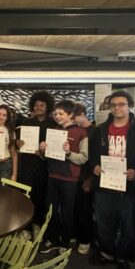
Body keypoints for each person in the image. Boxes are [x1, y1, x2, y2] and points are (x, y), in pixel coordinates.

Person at [89, 90, 135, 269]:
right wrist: (94, 166)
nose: (117, 108)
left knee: (129, 226)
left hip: (129, 188)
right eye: (114, 104)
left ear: (129, 105)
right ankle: (107, 253)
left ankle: (124, 258)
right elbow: (92, 154)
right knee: (105, 223)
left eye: (121, 104)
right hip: (105, 186)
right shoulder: (100, 130)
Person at [39, 100, 88, 252]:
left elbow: (83, 158)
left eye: (61, 114)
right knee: (51, 210)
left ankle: (65, 242)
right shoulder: (54, 131)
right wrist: (42, 149)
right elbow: (46, 157)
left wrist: (68, 153)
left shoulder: (81, 133)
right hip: (53, 175)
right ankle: (52, 239)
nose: (57, 117)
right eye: (55, 114)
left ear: (70, 115)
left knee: (67, 211)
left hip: (70, 179)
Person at [15, 91, 56, 227]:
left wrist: (44, 153)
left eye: (42, 105)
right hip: (27, 164)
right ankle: (25, 226)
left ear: (48, 107)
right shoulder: (26, 122)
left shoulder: (53, 124)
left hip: (43, 166)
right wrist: (18, 143)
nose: (38, 107)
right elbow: (19, 143)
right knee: (26, 194)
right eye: (36, 105)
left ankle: (37, 224)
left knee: (40, 195)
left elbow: (56, 147)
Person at [73, 103, 96, 255]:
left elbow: (96, 157)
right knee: (75, 208)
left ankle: (85, 239)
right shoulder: (75, 130)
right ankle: (77, 234)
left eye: (73, 116)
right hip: (73, 174)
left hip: (87, 176)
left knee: (85, 210)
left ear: (82, 113)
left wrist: (90, 179)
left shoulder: (95, 131)